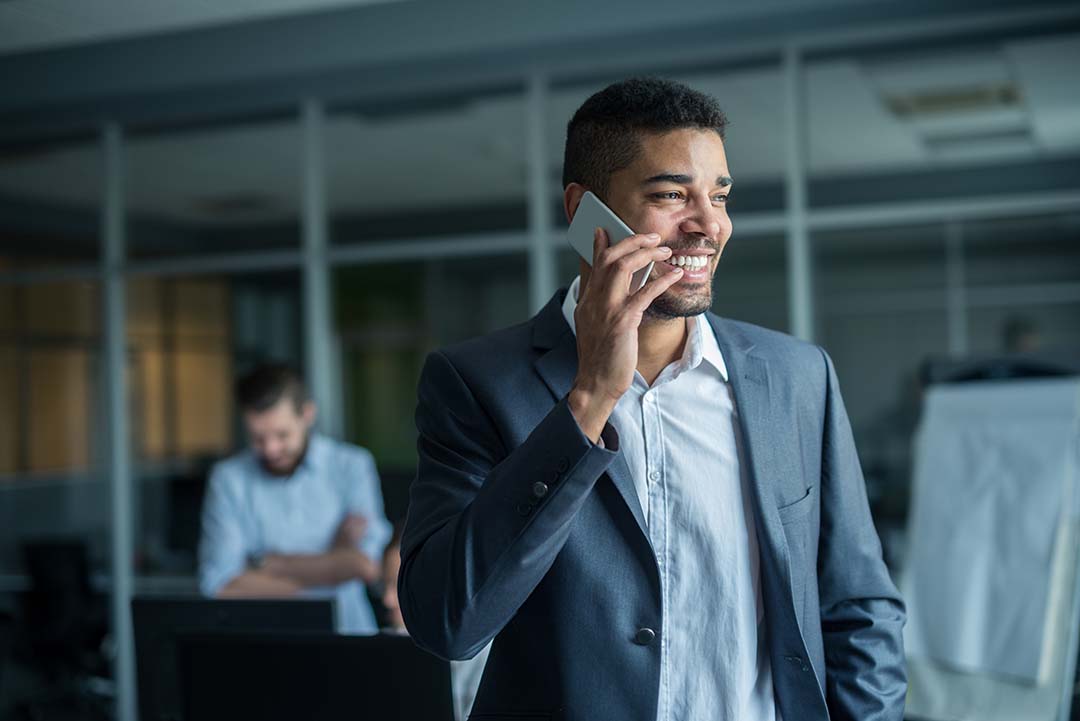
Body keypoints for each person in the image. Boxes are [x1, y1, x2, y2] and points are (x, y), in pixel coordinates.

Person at [398, 77, 906, 720]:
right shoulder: (475, 383)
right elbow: (447, 622)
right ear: (585, 212)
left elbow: (857, 606)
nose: (708, 226)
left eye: (718, 196)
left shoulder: (797, 376)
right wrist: (587, 402)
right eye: (671, 195)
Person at [198, 363, 391, 634]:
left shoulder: (352, 466)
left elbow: (366, 566)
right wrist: (334, 563)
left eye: (282, 435)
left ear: (307, 414)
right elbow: (219, 585)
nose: (271, 449)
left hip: (348, 635)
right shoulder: (228, 479)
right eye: (257, 438)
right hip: (264, 642)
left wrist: (265, 564)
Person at [381, 524, 489, 721]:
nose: (386, 600)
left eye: (397, 586)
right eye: (384, 584)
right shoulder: (382, 648)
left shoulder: (482, 654)